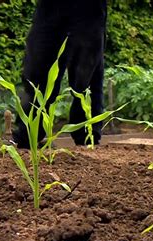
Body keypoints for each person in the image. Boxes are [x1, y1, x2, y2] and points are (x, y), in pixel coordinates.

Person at [13, 0, 107, 148]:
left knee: (86, 74)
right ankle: (28, 135)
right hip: (49, 8)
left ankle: (88, 137)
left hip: (90, 8)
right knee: (37, 70)